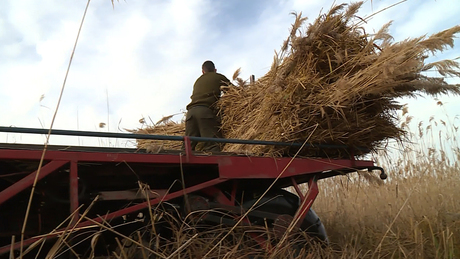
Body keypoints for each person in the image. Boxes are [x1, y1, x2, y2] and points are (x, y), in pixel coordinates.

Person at [185, 60, 230, 151]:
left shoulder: (197, 81)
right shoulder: (218, 77)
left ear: (202, 72)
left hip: (190, 114)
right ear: (215, 70)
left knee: (187, 148)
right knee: (212, 146)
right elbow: (234, 92)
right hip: (204, 113)